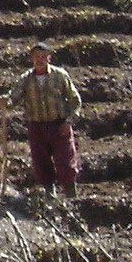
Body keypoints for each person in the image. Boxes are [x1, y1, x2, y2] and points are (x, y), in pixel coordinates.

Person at [8, 40, 84, 195]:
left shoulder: (60, 76)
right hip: (37, 127)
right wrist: (5, 101)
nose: (40, 60)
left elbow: (76, 101)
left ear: (49, 58)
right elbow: (13, 98)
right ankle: (50, 195)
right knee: (41, 162)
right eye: (37, 57)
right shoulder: (26, 79)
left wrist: (68, 121)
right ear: (32, 59)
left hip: (59, 125)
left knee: (65, 162)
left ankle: (71, 196)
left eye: (43, 56)